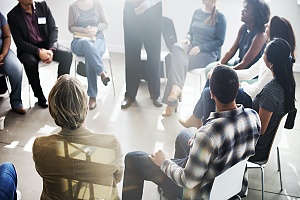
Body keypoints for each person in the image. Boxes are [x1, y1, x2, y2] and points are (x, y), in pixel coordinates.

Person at [122, 66, 261, 199]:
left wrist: (164, 161)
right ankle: (170, 193)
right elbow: (228, 137)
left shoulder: (208, 135)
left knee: (132, 159)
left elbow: (187, 181)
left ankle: (175, 189)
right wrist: (201, 136)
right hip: (232, 186)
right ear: (238, 87)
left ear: (211, 93)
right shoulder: (253, 116)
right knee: (183, 135)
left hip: (202, 193)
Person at [180, 16, 296, 129]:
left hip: (252, 101)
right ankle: (203, 124)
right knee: (213, 81)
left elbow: (255, 91)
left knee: (208, 93)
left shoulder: (274, 63)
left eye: (269, 25)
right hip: (251, 94)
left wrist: (242, 85)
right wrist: (222, 71)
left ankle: (206, 128)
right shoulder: (273, 53)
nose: (265, 25)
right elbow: (249, 72)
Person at [32, 74, 124, 199]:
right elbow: (117, 178)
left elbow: (44, 173)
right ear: (85, 106)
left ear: (53, 110)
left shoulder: (40, 146)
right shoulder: (111, 143)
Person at [161, 0, 226, 117]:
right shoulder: (197, 12)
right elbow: (190, 32)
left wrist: (201, 48)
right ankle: (176, 89)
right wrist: (187, 38)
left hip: (207, 54)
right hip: (191, 47)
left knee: (178, 63)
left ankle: (172, 100)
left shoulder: (220, 17)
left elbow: (220, 41)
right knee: (177, 48)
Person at [7, 0, 73, 108]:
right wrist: (39, 52)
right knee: (29, 62)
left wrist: (51, 50)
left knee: (67, 54)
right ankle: (39, 96)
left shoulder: (43, 6)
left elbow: (53, 29)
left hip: (47, 45)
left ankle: (60, 92)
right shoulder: (13, 15)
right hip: (28, 49)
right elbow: (20, 42)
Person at [249, 38, 296, 162]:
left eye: (264, 53)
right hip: (269, 144)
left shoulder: (271, 91)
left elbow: (261, 129)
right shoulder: (288, 83)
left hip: (256, 150)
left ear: (271, 62)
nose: (262, 55)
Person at [68, 0, 111, 110]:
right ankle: (101, 72)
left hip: (98, 39)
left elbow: (105, 23)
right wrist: (84, 30)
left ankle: (92, 96)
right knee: (87, 44)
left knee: (90, 53)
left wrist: (95, 29)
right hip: (79, 41)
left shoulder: (98, 4)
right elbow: (71, 27)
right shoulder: (73, 6)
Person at [121, 0, 163, 109]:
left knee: (153, 54)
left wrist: (147, 4)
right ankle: (130, 95)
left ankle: (155, 94)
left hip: (152, 10)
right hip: (131, 9)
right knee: (131, 53)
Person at [208, 0, 270, 72]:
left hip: (249, 71)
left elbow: (245, 63)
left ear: (255, 15)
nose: (242, 11)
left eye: (246, 10)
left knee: (216, 74)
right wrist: (219, 64)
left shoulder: (260, 36)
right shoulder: (243, 28)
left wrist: (221, 72)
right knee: (210, 68)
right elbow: (231, 51)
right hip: (239, 63)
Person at [0, 11, 25, 114]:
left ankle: (16, 102)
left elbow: (7, 36)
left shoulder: (0, 16)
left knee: (16, 68)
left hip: (2, 51)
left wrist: (3, 55)